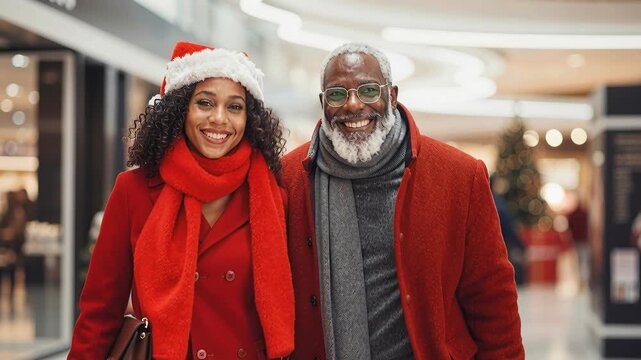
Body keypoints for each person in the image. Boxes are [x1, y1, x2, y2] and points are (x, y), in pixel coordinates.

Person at [281, 43, 524, 360]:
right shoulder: (288, 178)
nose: (353, 105)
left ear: (392, 96)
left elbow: (492, 297)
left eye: (368, 90)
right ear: (323, 102)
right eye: (337, 94)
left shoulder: (459, 175)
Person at [69, 41, 294, 359]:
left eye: (234, 106)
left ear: (250, 118)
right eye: (204, 102)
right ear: (179, 109)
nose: (219, 119)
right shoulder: (134, 191)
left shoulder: (271, 194)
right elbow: (99, 312)